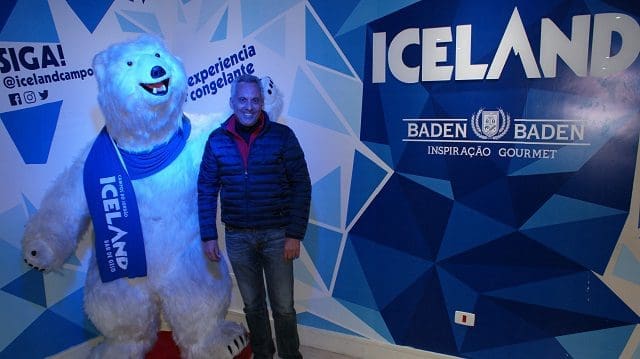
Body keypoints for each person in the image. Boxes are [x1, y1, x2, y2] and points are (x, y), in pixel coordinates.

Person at [198, 74, 311, 359]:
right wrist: (209, 235)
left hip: (278, 236)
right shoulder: (216, 141)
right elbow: (207, 190)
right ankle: (262, 353)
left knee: (283, 306)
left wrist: (294, 234)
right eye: (243, 99)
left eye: (255, 100)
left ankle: (290, 355)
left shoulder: (282, 137)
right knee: (252, 305)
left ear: (262, 103)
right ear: (232, 102)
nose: (249, 106)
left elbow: (301, 185)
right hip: (237, 237)